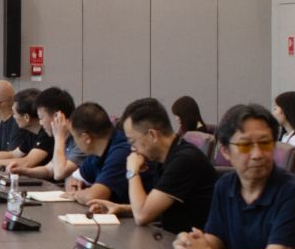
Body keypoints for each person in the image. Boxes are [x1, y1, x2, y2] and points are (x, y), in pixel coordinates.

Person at [175, 103, 295, 249]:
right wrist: (192, 245)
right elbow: (216, 238)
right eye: (245, 146)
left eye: (265, 143)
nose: (257, 154)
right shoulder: (224, 186)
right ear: (226, 152)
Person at [87, 96, 216, 233]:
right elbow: (156, 207)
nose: (132, 149)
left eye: (132, 141)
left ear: (152, 135)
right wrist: (121, 208)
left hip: (192, 241)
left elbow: (142, 216)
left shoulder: (184, 160)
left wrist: (132, 172)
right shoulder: (167, 157)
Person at [0, 88, 53, 174]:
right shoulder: (30, 131)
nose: (13, 117)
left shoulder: (47, 134)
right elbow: (15, 154)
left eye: (14, 114)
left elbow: (27, 162)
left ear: (26, 117)